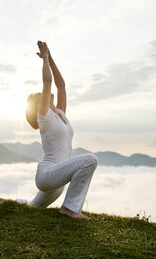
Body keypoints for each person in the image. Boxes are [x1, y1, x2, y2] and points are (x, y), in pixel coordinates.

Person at [25, 40, 98, 220]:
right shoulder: (44, 116)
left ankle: (11, 204)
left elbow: (61, 85)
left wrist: (50, 57)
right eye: (38, 94)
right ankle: (69, 209)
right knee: (90, 160)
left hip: (57, 183)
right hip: (47, 175)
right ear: (38, 105)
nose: (42, 92)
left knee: (32, 207)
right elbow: (48, 81)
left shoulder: (60, 114)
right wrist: (44, 60)